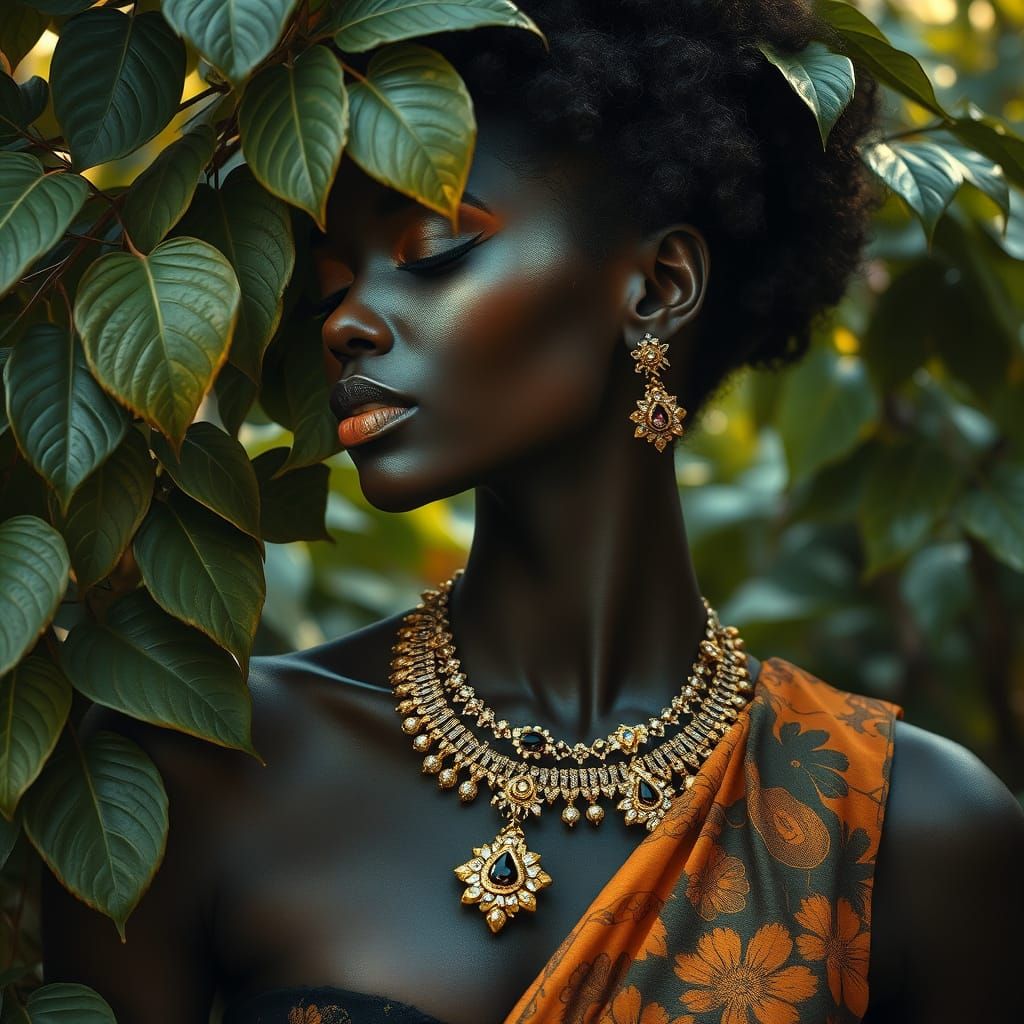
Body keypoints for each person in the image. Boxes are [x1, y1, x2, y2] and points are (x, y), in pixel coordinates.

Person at [42, 1, 1024, 1022]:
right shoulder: (204, 767)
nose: (348, 322)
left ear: (657, 285)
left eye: (428, 248)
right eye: (330, 285)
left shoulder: (907, 826)